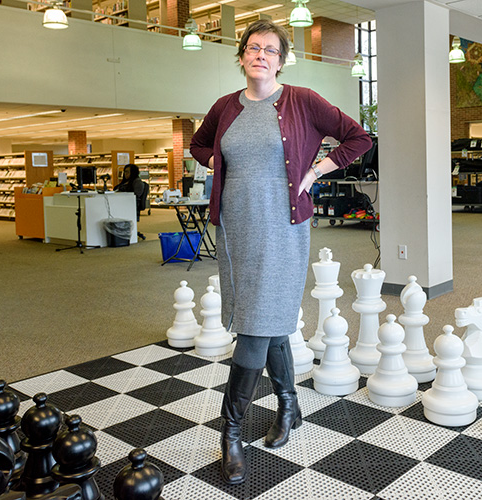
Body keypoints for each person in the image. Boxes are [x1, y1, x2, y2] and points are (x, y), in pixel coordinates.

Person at [190, 19, 372, 485]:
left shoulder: (302, 100)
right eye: (253, 47)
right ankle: (289, 407)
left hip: (283, 229)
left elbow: (358, 138)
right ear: (242, 55)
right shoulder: (224, 107)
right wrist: (219, 163)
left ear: (281, 59)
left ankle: (230, 431)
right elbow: (199, 144)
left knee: (254, 325)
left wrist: (316, 172)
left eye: (271, 50)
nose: (261, 56)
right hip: (237, 230)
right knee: (269, 323)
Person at [114, 163, 147, 240]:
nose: (125, 174)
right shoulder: (125, 181)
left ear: (133, 172)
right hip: (122, 203)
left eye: (127, 172)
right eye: (125, 172)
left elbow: (136, 195)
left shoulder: (137, 182)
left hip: (131, 205)